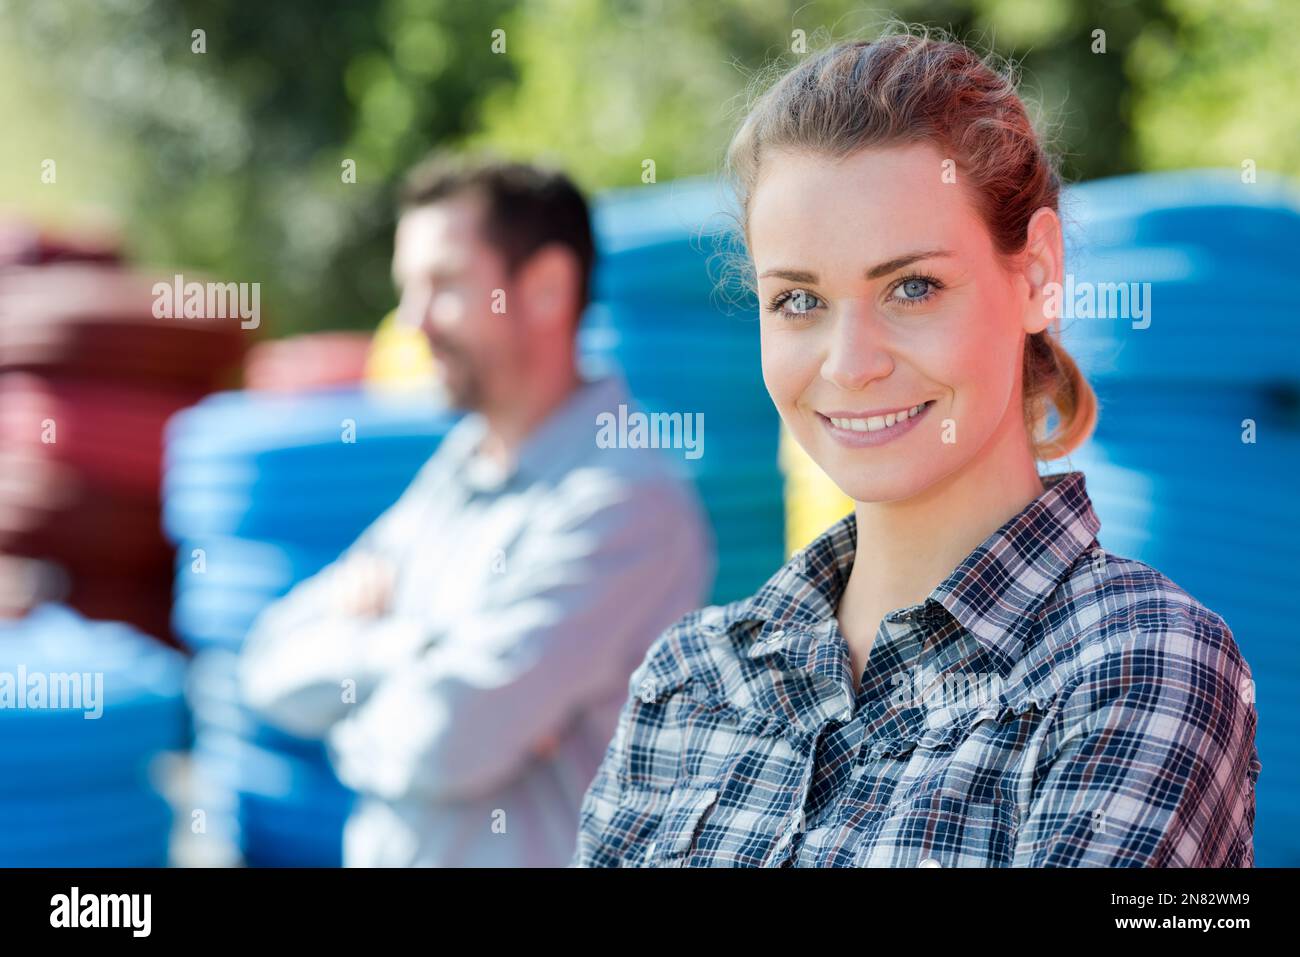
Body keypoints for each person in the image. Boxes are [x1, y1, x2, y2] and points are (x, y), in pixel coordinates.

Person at [572, 29, 1261, 867]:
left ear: (1038, 273)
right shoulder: (684, 683)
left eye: (912, 288)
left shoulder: (1140, 663)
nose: (851, 364)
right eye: (797, 301)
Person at [239, 153, 714, 867]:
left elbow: (448, 739)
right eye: (409, 289)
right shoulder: (456, 473)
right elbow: (268, 663)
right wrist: (422, 649)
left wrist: (359, 678)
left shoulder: (626, 502)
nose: (410, 321)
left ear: (548, 287)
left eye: (443, 284)